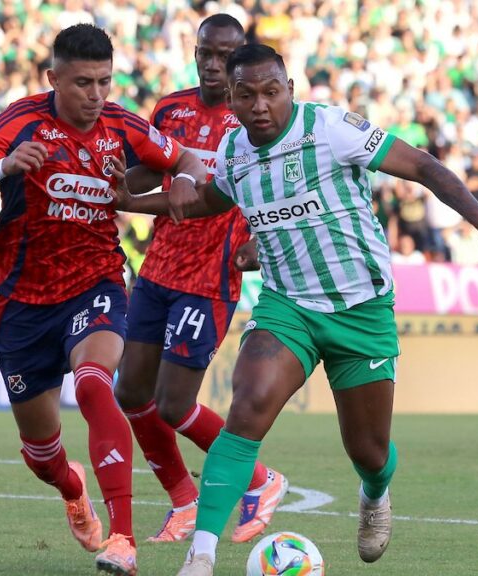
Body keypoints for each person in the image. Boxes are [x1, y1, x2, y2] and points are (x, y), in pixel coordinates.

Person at [107, 44, 478, 576]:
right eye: (246, 95)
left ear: (289, 89)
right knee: (247, 406)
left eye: (271, 92)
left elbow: (422, 166)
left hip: (361, 308)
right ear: (231, 100)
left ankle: (375, 492)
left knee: (368, 450)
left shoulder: (331, 129)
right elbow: (209, 199)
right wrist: (129, 201)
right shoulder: (234, 148)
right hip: (288, 306)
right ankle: (201, 556)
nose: (260, 105)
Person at [0, 24, 207, 576]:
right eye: (83, 83)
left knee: (95, 383)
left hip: (95, 283)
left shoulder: (123, 124)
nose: (95, 95)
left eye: (104, 82)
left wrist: (183, 180)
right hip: (23, 302)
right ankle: (71, 487)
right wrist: (2, 166)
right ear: (53, 78)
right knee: (41, 455)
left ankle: (123, 539)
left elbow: (190, 161)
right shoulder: (19, 122)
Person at [113, 14, 286, 545]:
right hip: (158, 268)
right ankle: (183, 500)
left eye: (224, 56)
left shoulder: (253, 120)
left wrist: (259, 240)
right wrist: (111, 180)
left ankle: (261, 479)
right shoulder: (170, 109)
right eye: (205, 53)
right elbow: (149, 168)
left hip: (210, 275)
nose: (213, 65)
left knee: (173, 404)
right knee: (129, 390)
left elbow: (272, 189)